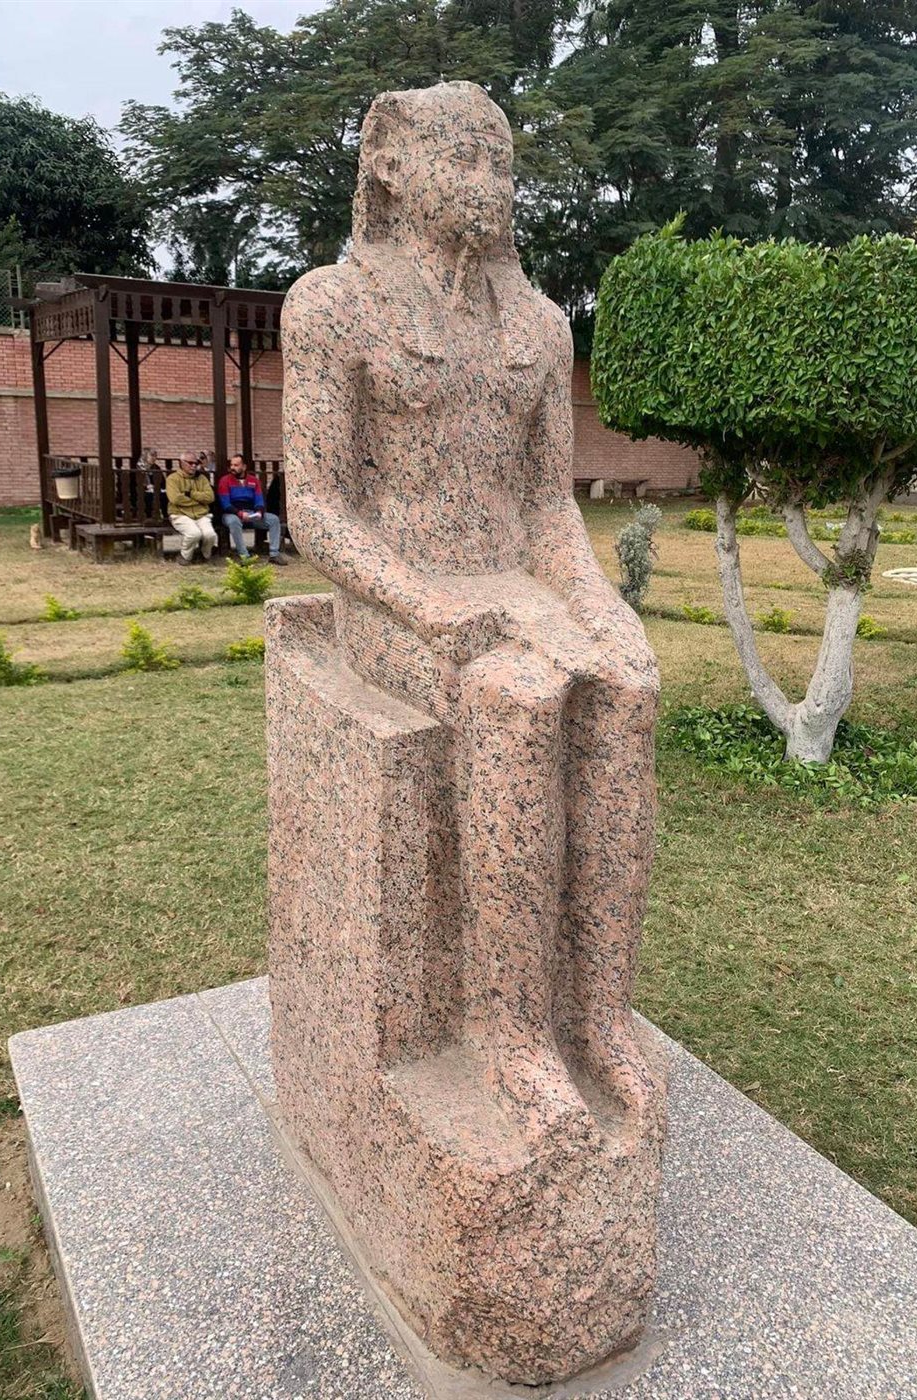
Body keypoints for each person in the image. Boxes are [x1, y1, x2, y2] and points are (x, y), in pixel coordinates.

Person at [282, 82, 660, 1136]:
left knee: (625, 689)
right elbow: (317, 507)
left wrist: (599, 605)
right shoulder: (332, 305)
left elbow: (546, 506)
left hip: (513, 583)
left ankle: (597, 1016)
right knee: (515, 700)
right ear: (391, 164)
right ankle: (510, 1035)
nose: (491, 185)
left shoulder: (538, 326)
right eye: (465, 158)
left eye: (502, 164)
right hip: (395, 596)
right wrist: (426, 604)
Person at [216, 454, 288, 564]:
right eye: (231, 465)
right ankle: (245, 556)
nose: (232, 467)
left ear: (244, 467)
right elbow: (225, 504)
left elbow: (259, 499)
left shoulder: (254, 481)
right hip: (231, 514)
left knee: (273, 519)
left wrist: (259, 511)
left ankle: (274, 554)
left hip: (251, 513)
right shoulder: (224, 481)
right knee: (234, 522)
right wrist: (239, 513)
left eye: (236, 465)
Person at [165, 451, 218, 564]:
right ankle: (185, 557)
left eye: (196, 463)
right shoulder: (172, 479)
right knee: (194, 534)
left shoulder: (202, 478)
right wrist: (199, 501)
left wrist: (191, 494)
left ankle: (205, 555)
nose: (194, 466)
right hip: (180, 514)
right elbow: (175, 499)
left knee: (210, 535)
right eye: (190, 463)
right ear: (181, 463)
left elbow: (210, 497)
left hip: (201, 514)